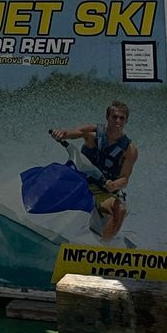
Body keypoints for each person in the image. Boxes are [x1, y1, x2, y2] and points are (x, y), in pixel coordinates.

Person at [51, 100, 137, 240]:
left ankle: (105, 244)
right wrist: (60, 133)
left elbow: (125, 179)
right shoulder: (93, 132)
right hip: (79, 181)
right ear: (107, 117)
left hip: (101, 191)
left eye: (122, 118)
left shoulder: (130, 149)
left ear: (126, 121)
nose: (118, 121)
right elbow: (70, 132)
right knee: (54, 175)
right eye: (114, 117)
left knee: (120, 209)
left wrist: (114, 185)